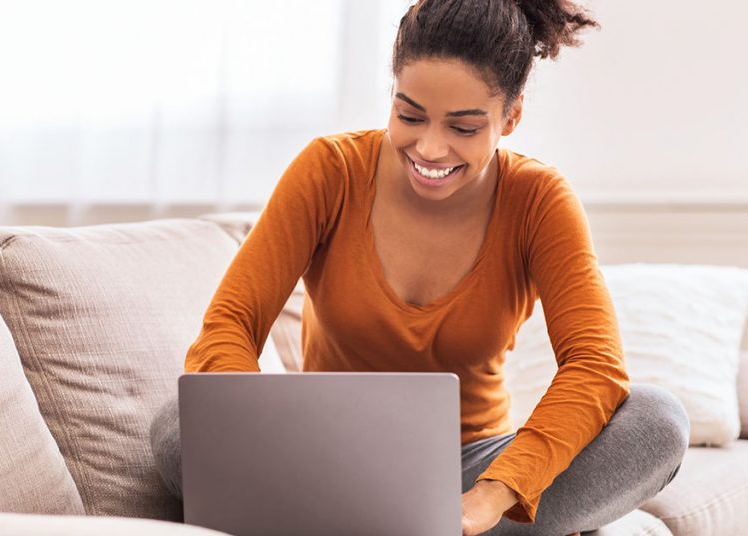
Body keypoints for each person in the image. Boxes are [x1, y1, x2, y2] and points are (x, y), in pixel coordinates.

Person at [150, 0, 690, 534]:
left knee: (657, 422)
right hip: (321, 456)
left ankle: (399, 525)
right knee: (179, 429)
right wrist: (264, 432)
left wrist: (493, 494)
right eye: (409, 116)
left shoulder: (539, 200)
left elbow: (595, 366)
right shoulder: (330, 171)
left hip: (469, 473)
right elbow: (230, 324)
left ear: (511, 116)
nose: (430, 148)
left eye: (464, 128)